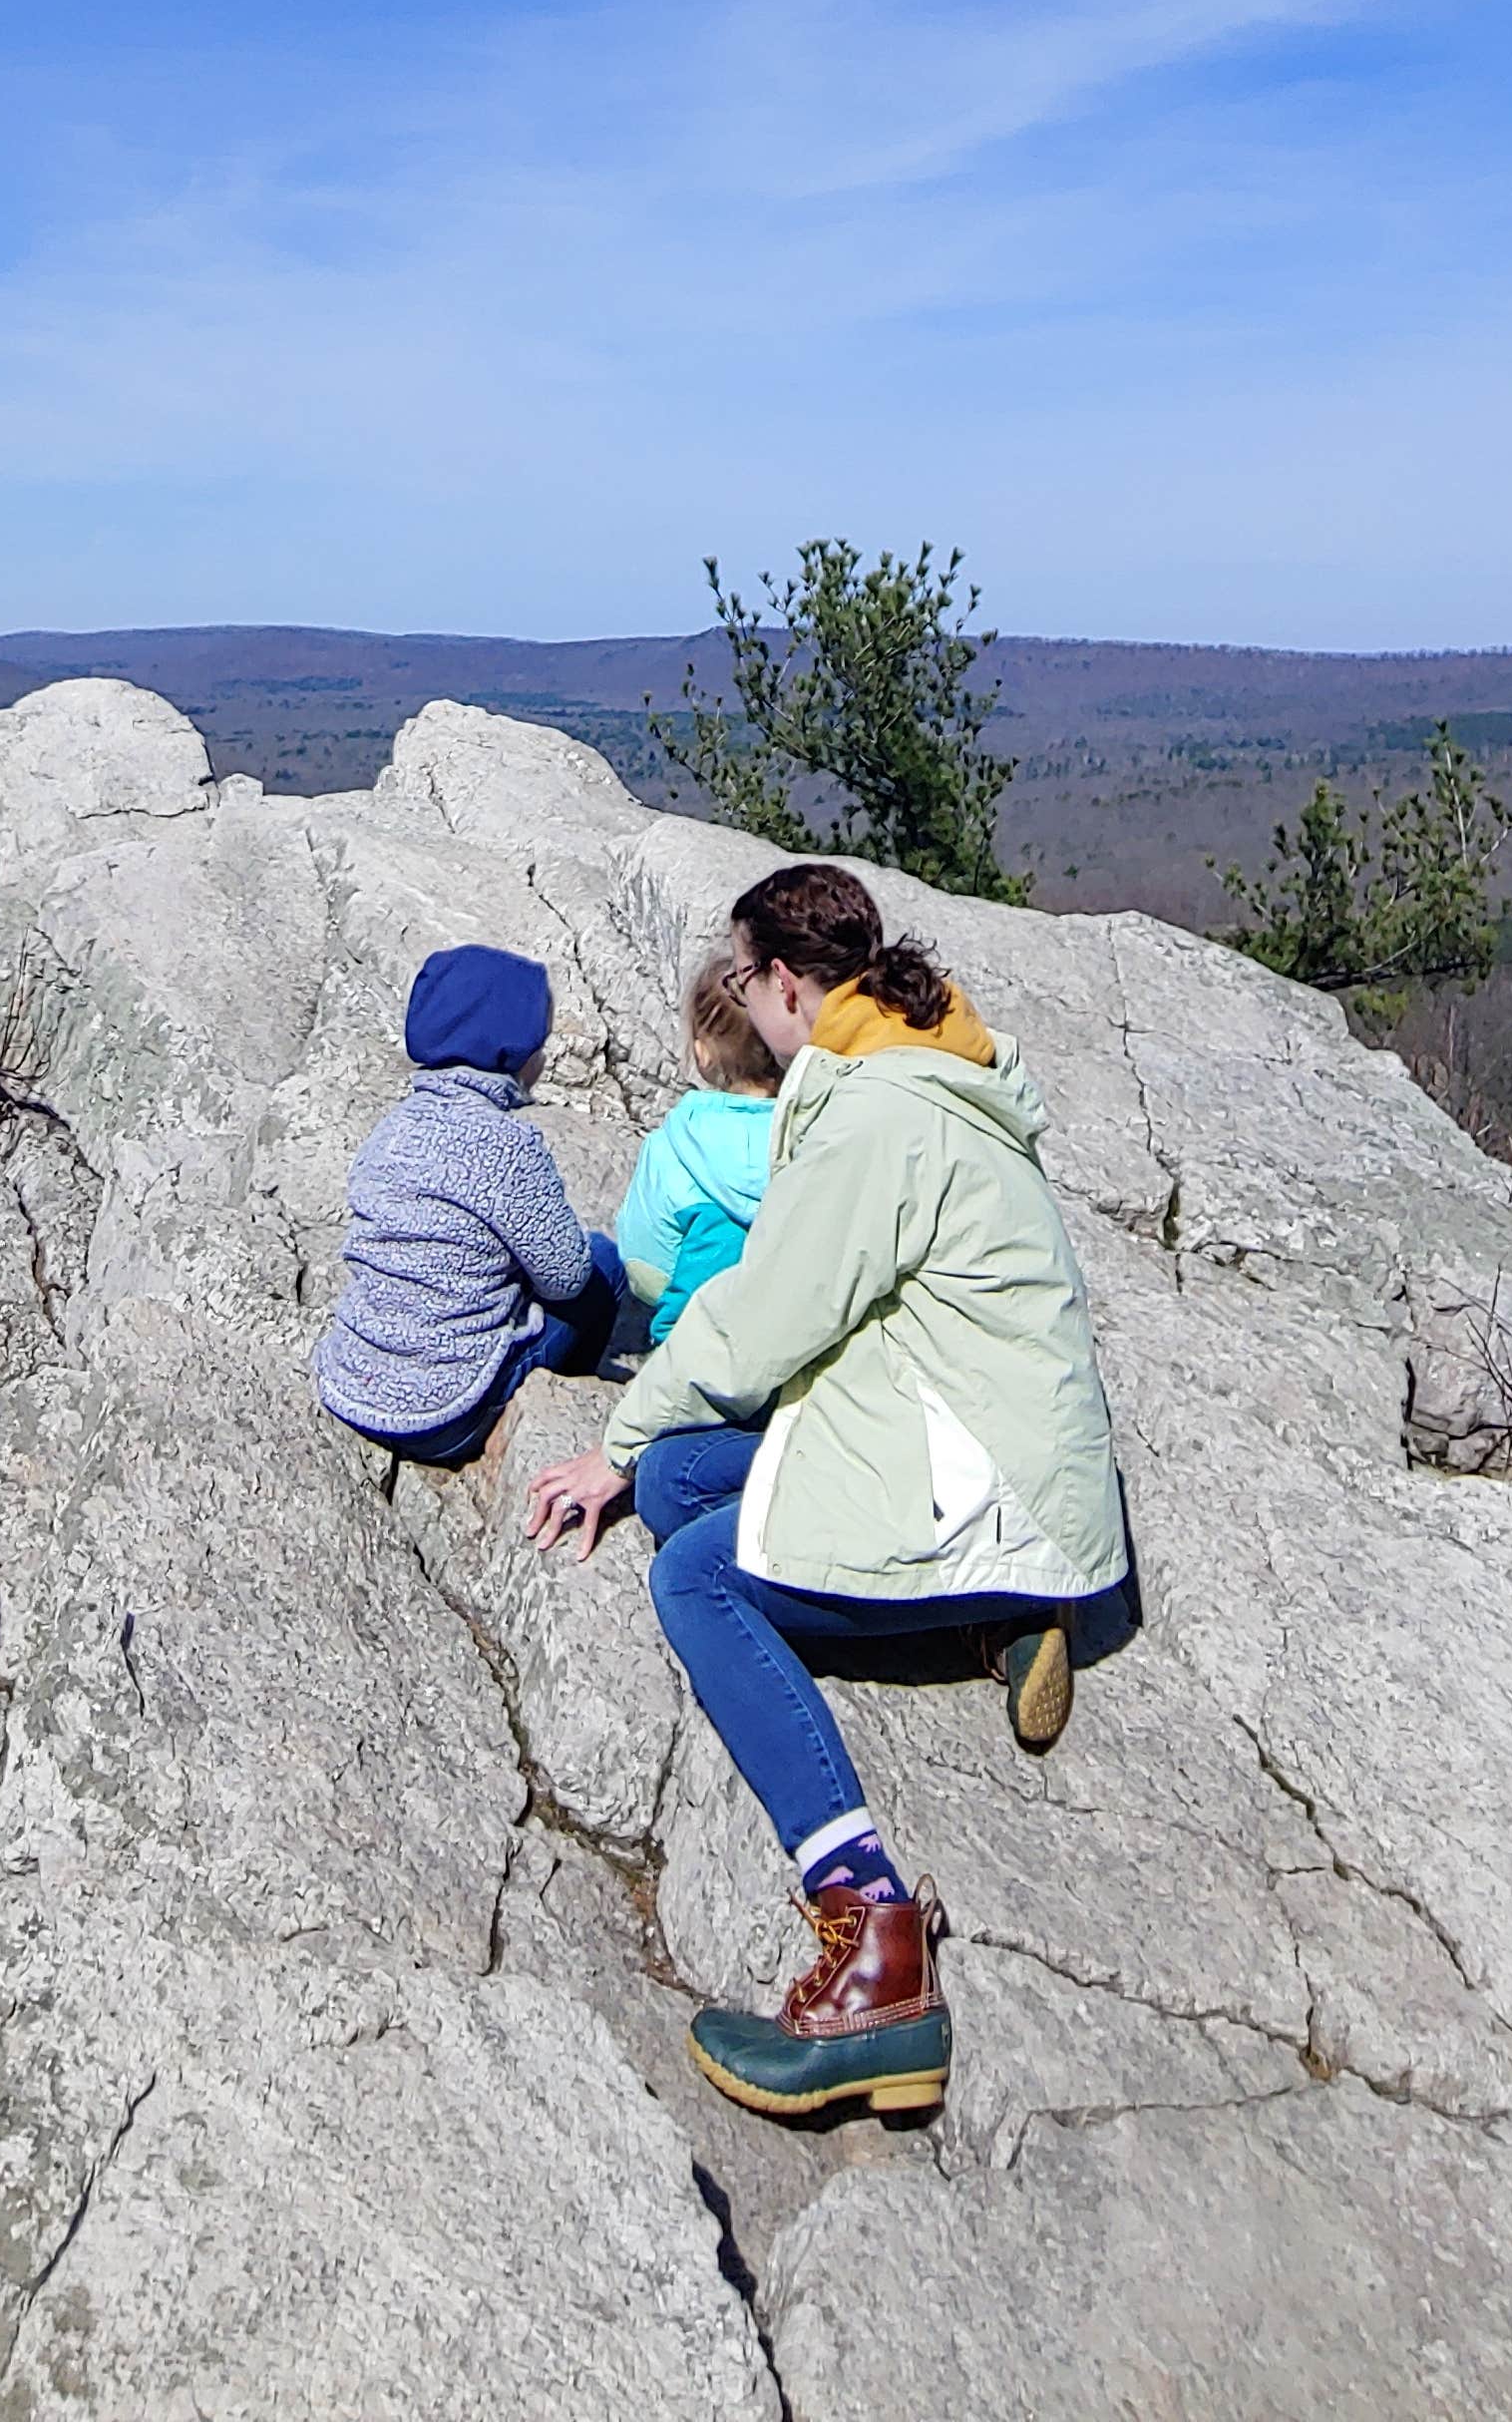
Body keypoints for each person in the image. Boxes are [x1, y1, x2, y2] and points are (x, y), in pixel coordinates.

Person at [525, 861, 1126, 2122]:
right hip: (976, 1443)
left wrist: (610, 1445)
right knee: (691, 1475)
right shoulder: (913, 1064)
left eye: (744, 978)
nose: (740, 1000)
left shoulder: (870, 1117)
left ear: (784, 984)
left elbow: (755, 1324)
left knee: (692, 1573)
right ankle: (990, 1622)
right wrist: (652, 1457)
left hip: (972, 1478)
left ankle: (876, 1952)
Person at [316, 944, 621, 1465]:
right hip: (444, 1417)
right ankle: (566, 1400)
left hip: (349, 1387)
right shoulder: (508, 1147)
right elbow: (567, 1278)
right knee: (604, 1264)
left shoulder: (391, 1129)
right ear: (514, 1055)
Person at [613, 951, 781, 1340]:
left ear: (703, 1054)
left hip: (649, 1264)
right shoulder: (791, 1133)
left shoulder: (693, 1119)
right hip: (698, 1282)